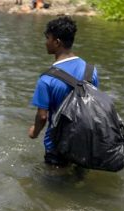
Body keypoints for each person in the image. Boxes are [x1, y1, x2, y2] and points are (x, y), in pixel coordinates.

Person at [29, 16, 98, 167]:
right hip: (84, 142)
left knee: (53, 185)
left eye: (48, 38)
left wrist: (34, 132)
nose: (45, 42)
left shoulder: (47, 79)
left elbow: (42, 116)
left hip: (57, 144)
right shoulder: (91, 70)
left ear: (57, 42)